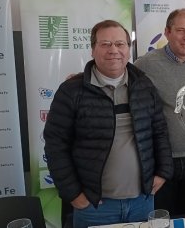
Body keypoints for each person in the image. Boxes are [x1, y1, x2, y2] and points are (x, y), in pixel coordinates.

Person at [44, 20, 173, 228]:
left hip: (142, 201)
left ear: (129, 50)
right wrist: (74, 194)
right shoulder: (71, 91)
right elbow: (55, 145)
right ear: (93, 49)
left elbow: (159, 130)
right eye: (105, 44)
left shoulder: (144, 85)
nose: (114, 50)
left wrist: (163, 172)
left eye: (120, 44)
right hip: (94, 207)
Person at [134, 8, 185, 214]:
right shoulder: (146, 64)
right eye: (180, 30)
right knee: (163, 217)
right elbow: (119, 76)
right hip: (162, 162)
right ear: (167, 32)